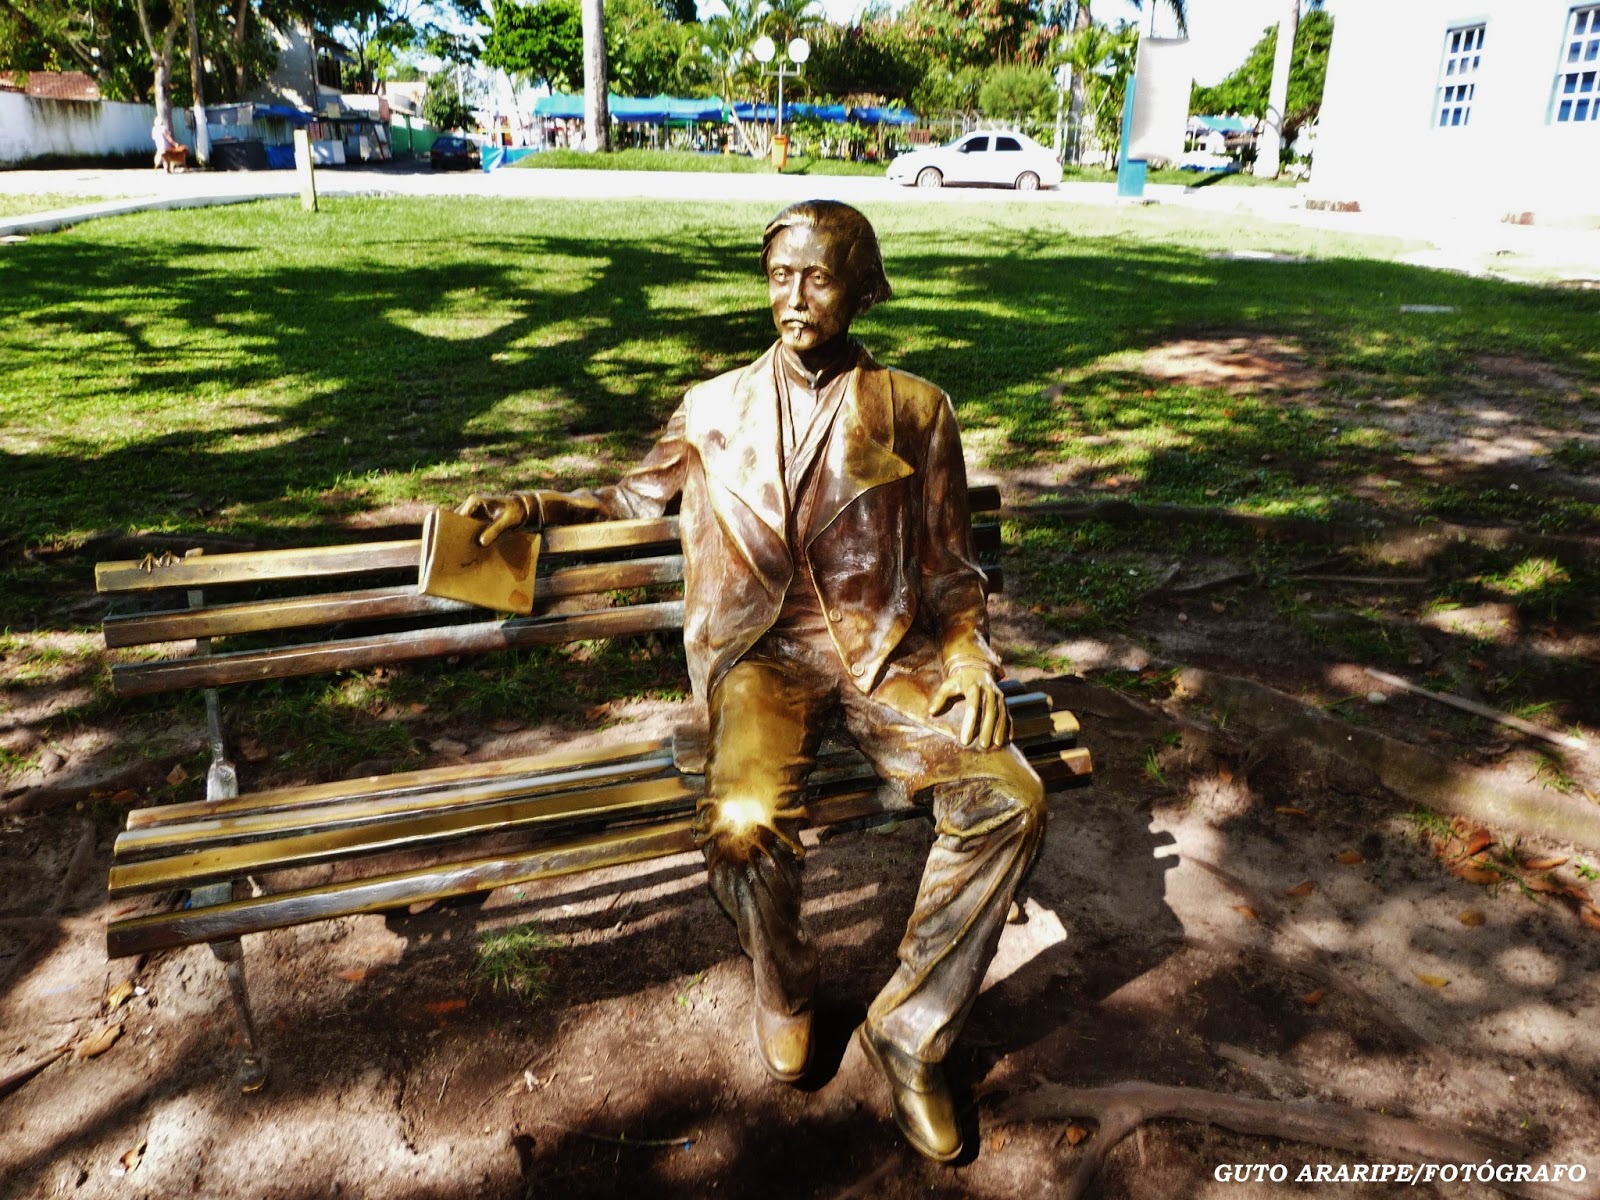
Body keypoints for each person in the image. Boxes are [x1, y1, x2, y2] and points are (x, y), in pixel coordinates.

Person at [458, 201, 1046, 1162]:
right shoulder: (712, 408)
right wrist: (536, 505)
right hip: (761, 657)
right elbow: (626, 500)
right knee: (738, 820)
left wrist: (970, 653)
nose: (794, 297)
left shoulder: (914, 407)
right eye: (779, 276)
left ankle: (910, 1032)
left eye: (818, 277)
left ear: (863, 289)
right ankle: (785, 983)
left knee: (1010, 796)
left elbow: (949, 567)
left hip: (884, 654)